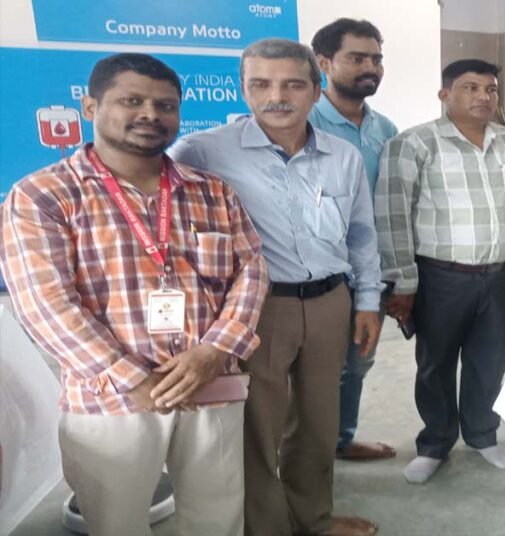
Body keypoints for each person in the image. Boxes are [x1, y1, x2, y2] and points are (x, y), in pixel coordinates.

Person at [0, 53, 268, 536]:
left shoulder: (213, 192)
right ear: (90, 107)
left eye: (165, 105)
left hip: (209, 383)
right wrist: (132, 379)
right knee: (116, 524)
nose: (150, 114)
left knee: (218, 518)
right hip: (108, 399)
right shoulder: (43, 195)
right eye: (132, 101)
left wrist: (215, 351)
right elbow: (45, 304)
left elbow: (250, 271)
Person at [169, 39, 381, 536]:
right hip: (257, 308)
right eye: (261, 84)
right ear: (243, 89)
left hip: (330, 302)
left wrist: (368, 301)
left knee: (318, 420)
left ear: (316, 90)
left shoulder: (343, 156)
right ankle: (265, 526)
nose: (277, 97)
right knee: (256, 426)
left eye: (293, 85)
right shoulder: (201, 151)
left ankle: (313, 517)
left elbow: (361, 234)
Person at [375, 59, 505, 484]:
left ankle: (481, 434)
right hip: (442, 277)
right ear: (445, 95)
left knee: (490, 360)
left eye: (490, 89)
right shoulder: (413, 143)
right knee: (435, 363)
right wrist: (402, 281)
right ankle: (435, 443)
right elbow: (392, 216)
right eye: (470, 87)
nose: (483, 97)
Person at [310, 17, 400, 462]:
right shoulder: (304, 122)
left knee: (357, 362)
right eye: (358, 58)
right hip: (311, 274)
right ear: (324, 62)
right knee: (308, 371)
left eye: (376, 59)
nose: (371, 67)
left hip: (368, 272)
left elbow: (392, 208)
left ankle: (340, 441)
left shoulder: (385, 129)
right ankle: (303, 457)